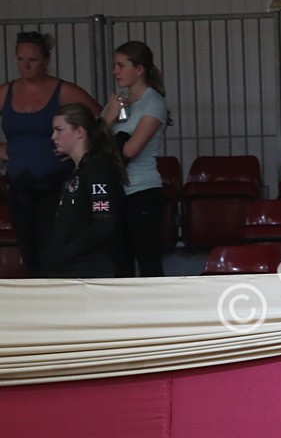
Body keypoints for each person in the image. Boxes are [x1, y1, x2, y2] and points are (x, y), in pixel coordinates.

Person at [0, 31, 102, 277]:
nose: (26, 65)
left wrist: (79, 150)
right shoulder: (6, 92)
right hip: (19, 184)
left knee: (54, 247)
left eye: (33, 59)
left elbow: (100, 120)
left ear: (46, 60)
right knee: (28, 249)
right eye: (20, 59)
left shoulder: (63, 90)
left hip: (55, 183)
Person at [102, 41, 169, 277]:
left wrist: (106, 141)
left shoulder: (154, 102)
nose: (115, 71)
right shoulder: (117, 104)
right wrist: (108, 118)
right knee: (120, 264)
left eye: (121, 66)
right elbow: (89, 145)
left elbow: (131, 150)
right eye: (114, 65)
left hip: (142, 191)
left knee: (149, 263)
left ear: (139, 69)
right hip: (116, 192)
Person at [42, 103, 126, 278]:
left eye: (59, 130)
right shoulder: (76, 170)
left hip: (87, 272)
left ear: (79, 132)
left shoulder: (96, 169)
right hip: (68, 270)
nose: (53, 136)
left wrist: (64, 254)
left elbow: (103, 223)